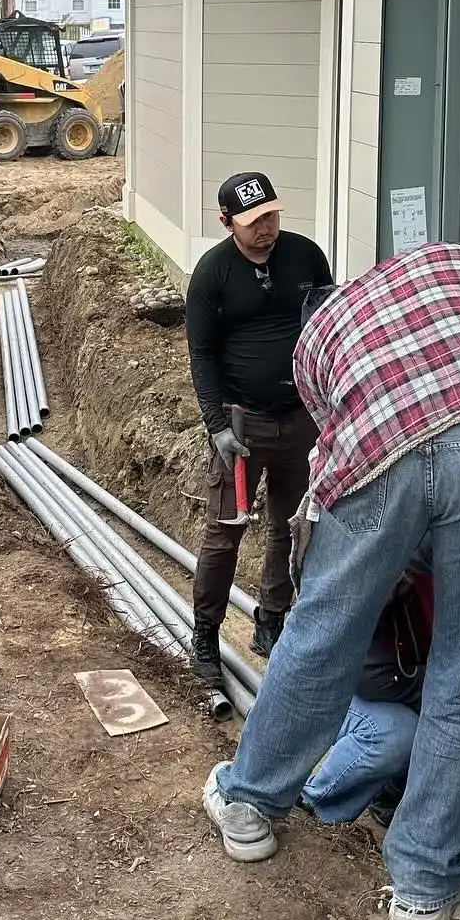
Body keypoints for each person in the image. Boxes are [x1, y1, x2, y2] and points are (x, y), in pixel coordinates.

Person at [201, 239, 460, 920]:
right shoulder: (441, 259)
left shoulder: (318, 342)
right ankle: (426, 885)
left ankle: (249, 808)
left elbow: (334, 432)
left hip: (384, 449)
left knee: (320, 631)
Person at [184, 172, 331, 684]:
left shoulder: (305, 257)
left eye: (270, 216)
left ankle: (272, 618)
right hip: (242, 428)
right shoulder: (212, 274)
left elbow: (326, 325)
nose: (265, 229)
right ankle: (205, 633)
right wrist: (216, 425)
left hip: (302, 419)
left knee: (291, 526)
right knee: (226, 532)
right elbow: (200, 353)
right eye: (252, 222)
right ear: (226, 223)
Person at [301, 567, 460, 830]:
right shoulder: (383, 569)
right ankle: (317, 808)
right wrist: (445, 703)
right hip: (353, 688)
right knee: (394, 735)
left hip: (439, 689)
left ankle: (407, 799)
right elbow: (371, 678)